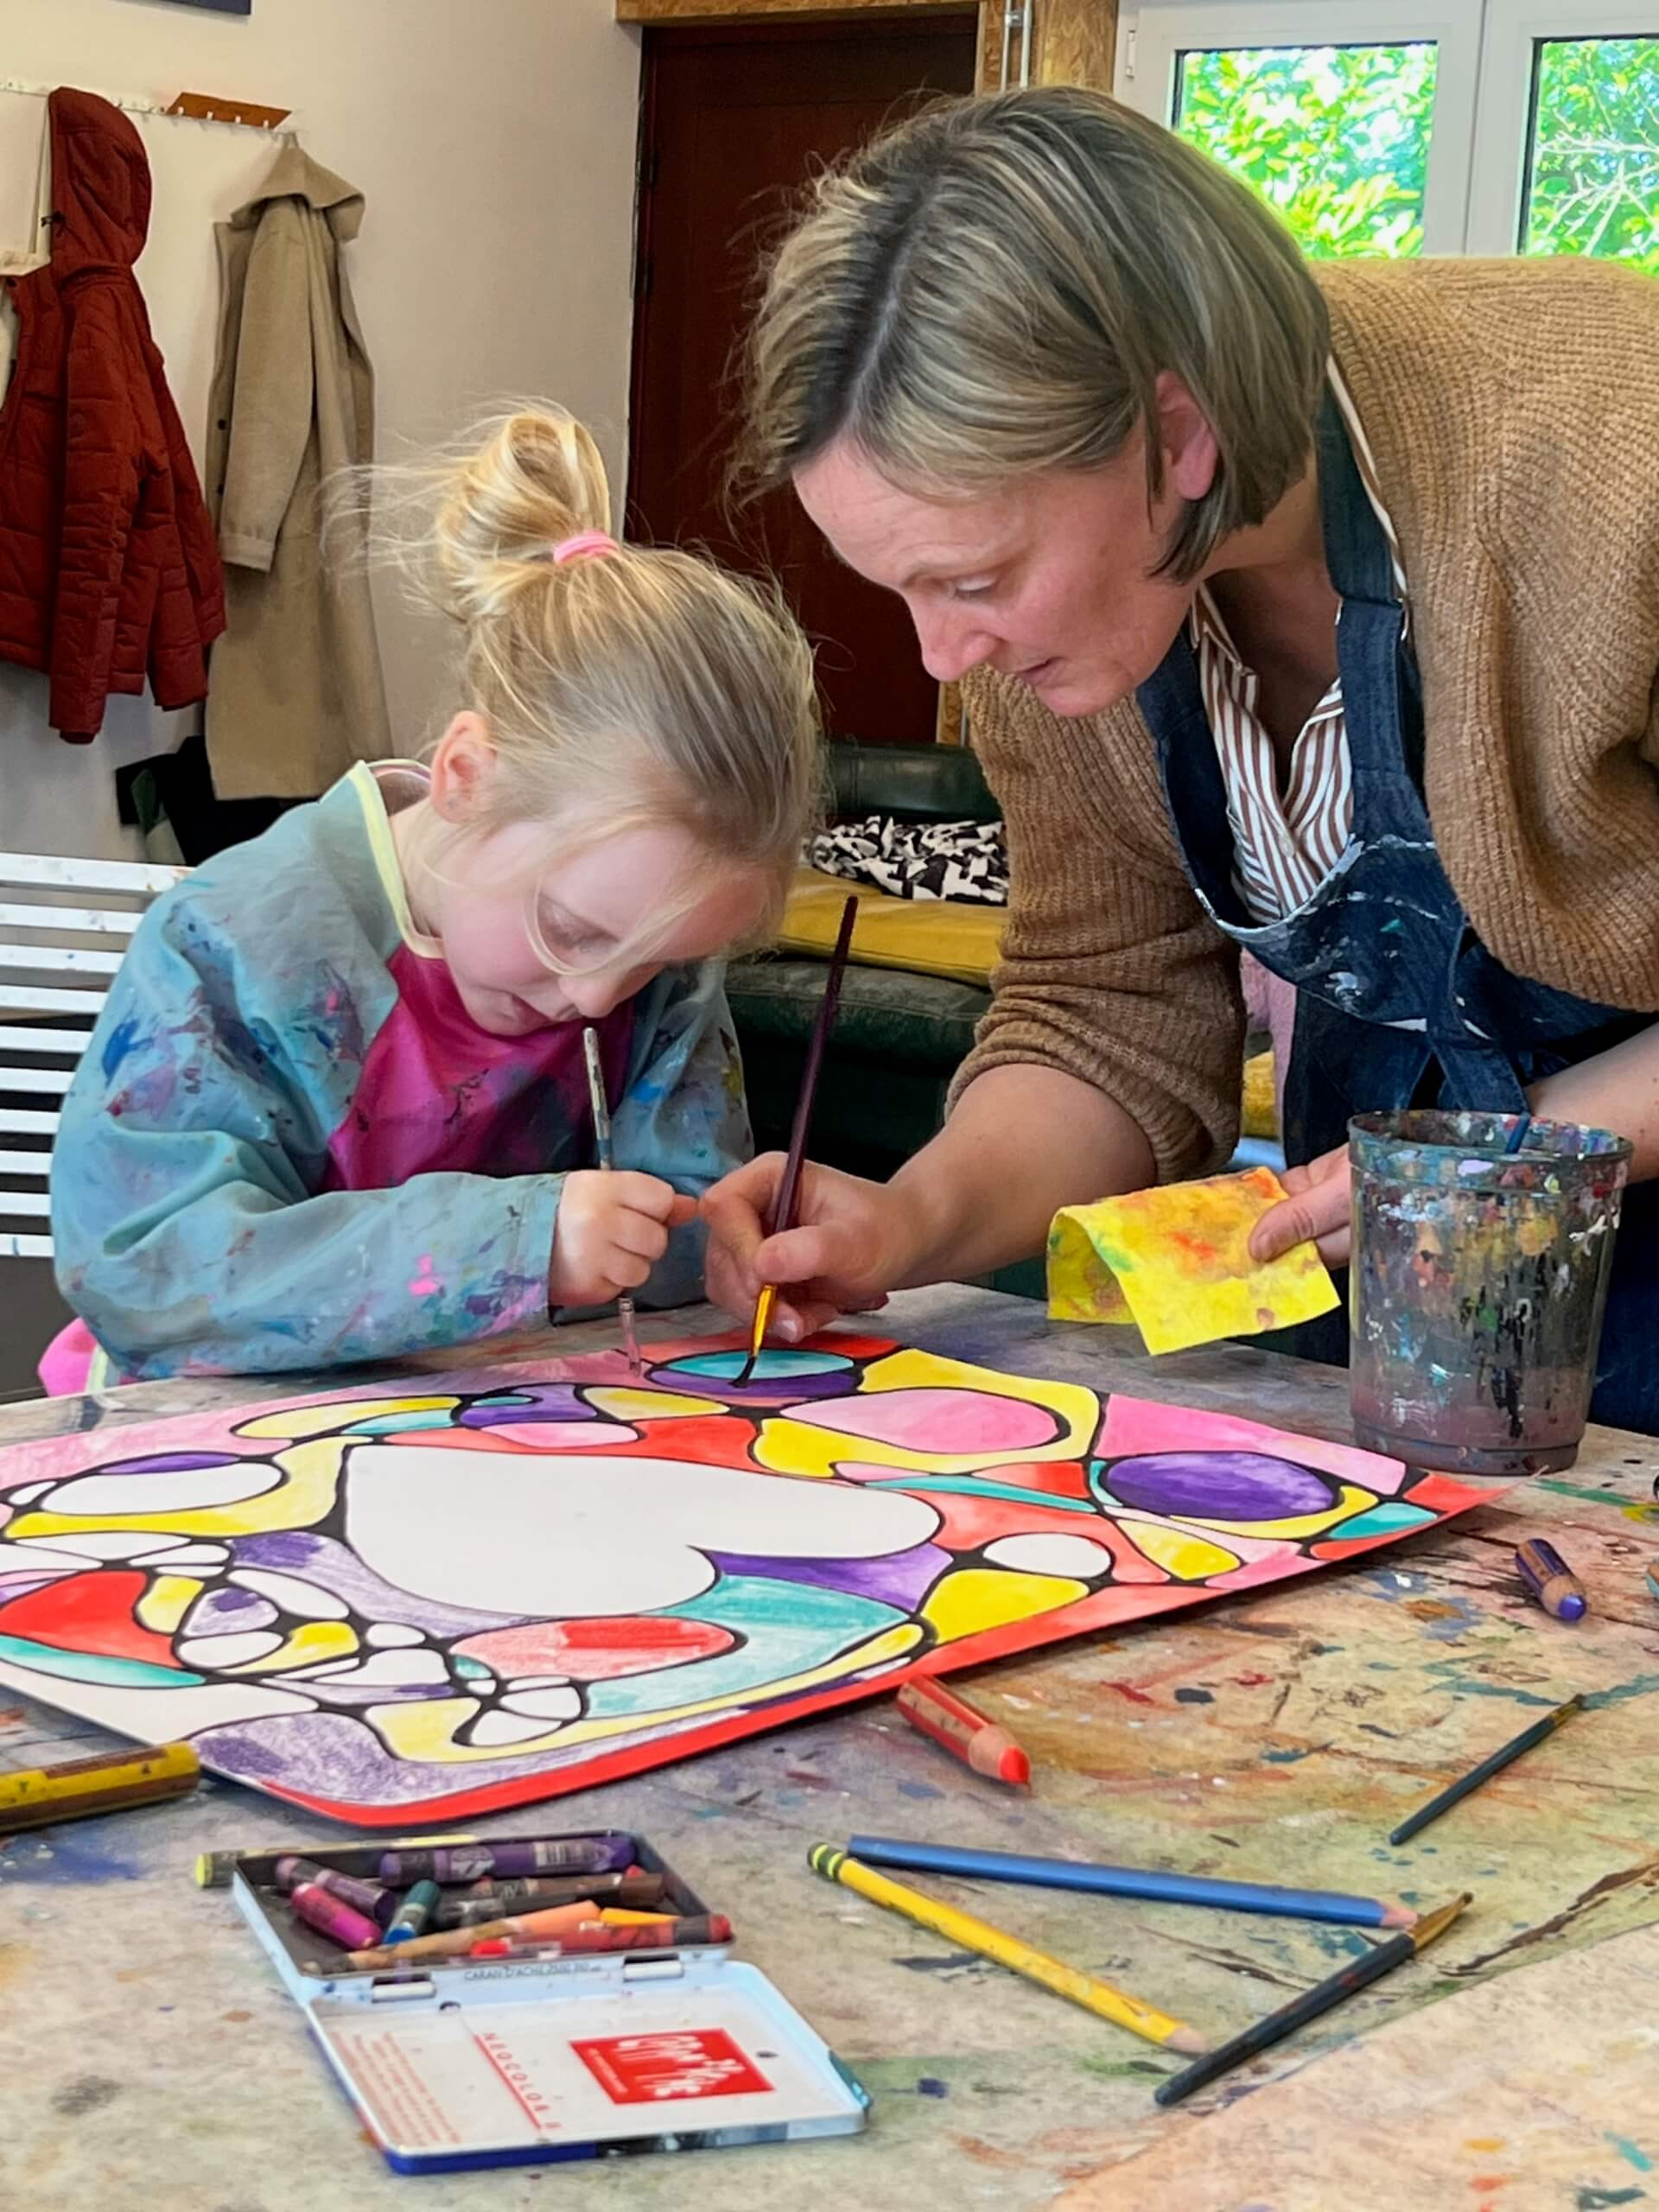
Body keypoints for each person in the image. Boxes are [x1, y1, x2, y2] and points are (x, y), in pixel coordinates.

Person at [702, 87, 1659, 1430]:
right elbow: (1106, 1010)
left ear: (1182, 431)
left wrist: (1505, 1163)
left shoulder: (1615, 443)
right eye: (902, 590)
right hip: (1411, 1276)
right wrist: (909, 1220)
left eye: (975, 577)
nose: (941, 658)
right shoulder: (1065, 636)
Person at [48, 408, 818, 1385]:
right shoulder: (231, 944)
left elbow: (678, 1220)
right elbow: (150, 1271)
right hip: (208, 1446)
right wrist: (514, 1243)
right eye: (571, 932)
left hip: (503, 1431)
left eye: (655, 962)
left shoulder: (648, 950)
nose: (596, 1000)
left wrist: (730, 1246)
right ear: (464, 776)